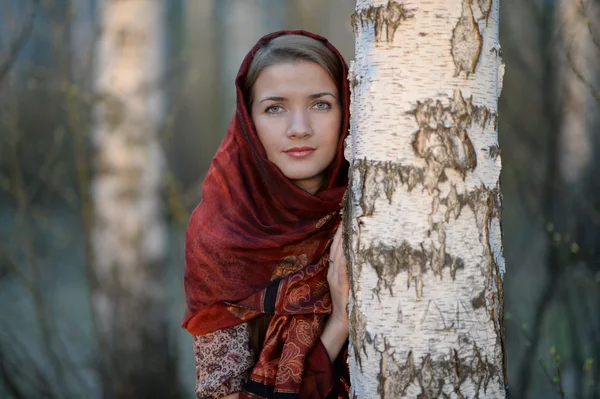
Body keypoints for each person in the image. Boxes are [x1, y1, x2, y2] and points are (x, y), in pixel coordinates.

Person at [182, 30, 351, 399]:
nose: (299, 128)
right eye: (275, 108)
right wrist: (339, 324)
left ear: (347, 110)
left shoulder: (381, 209)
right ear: (248, 122)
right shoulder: (221, 238)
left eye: (320, 104)